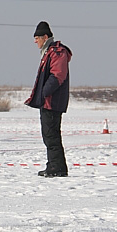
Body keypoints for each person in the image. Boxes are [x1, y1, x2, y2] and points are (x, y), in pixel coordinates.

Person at [24, 21, 72, 177]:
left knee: (51, 135)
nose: (34, 41)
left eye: (37, 38)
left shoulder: (57, 52)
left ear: (45, 37)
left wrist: (44, 92)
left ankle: (57, 167)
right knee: (49, 135)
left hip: (52, 101)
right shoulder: (48, 52)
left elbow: (58, 75)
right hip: (47, 101)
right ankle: (53, 165)